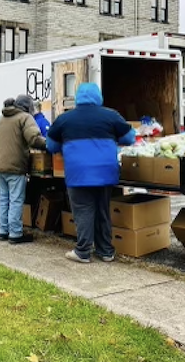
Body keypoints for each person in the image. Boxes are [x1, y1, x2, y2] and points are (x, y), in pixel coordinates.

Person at [47, 82, 135, 263]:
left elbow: (51, 145)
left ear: (77, 97)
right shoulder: (111, 115)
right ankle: (106, 251)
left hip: (78, 174)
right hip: (106, 173)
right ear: (98, 97)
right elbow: (129, 138)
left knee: (83, 211)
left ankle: (83, 252)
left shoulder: (65, 119)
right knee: (103, 210)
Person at [0, 94, 46, 243]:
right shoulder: (25, 118)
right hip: (15, 165)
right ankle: (15, 233)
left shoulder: (0, 119)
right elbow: (34, 139)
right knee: (15, 199)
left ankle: (3, 231)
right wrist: (49, 144)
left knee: (3, 199)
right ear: (28, 107)